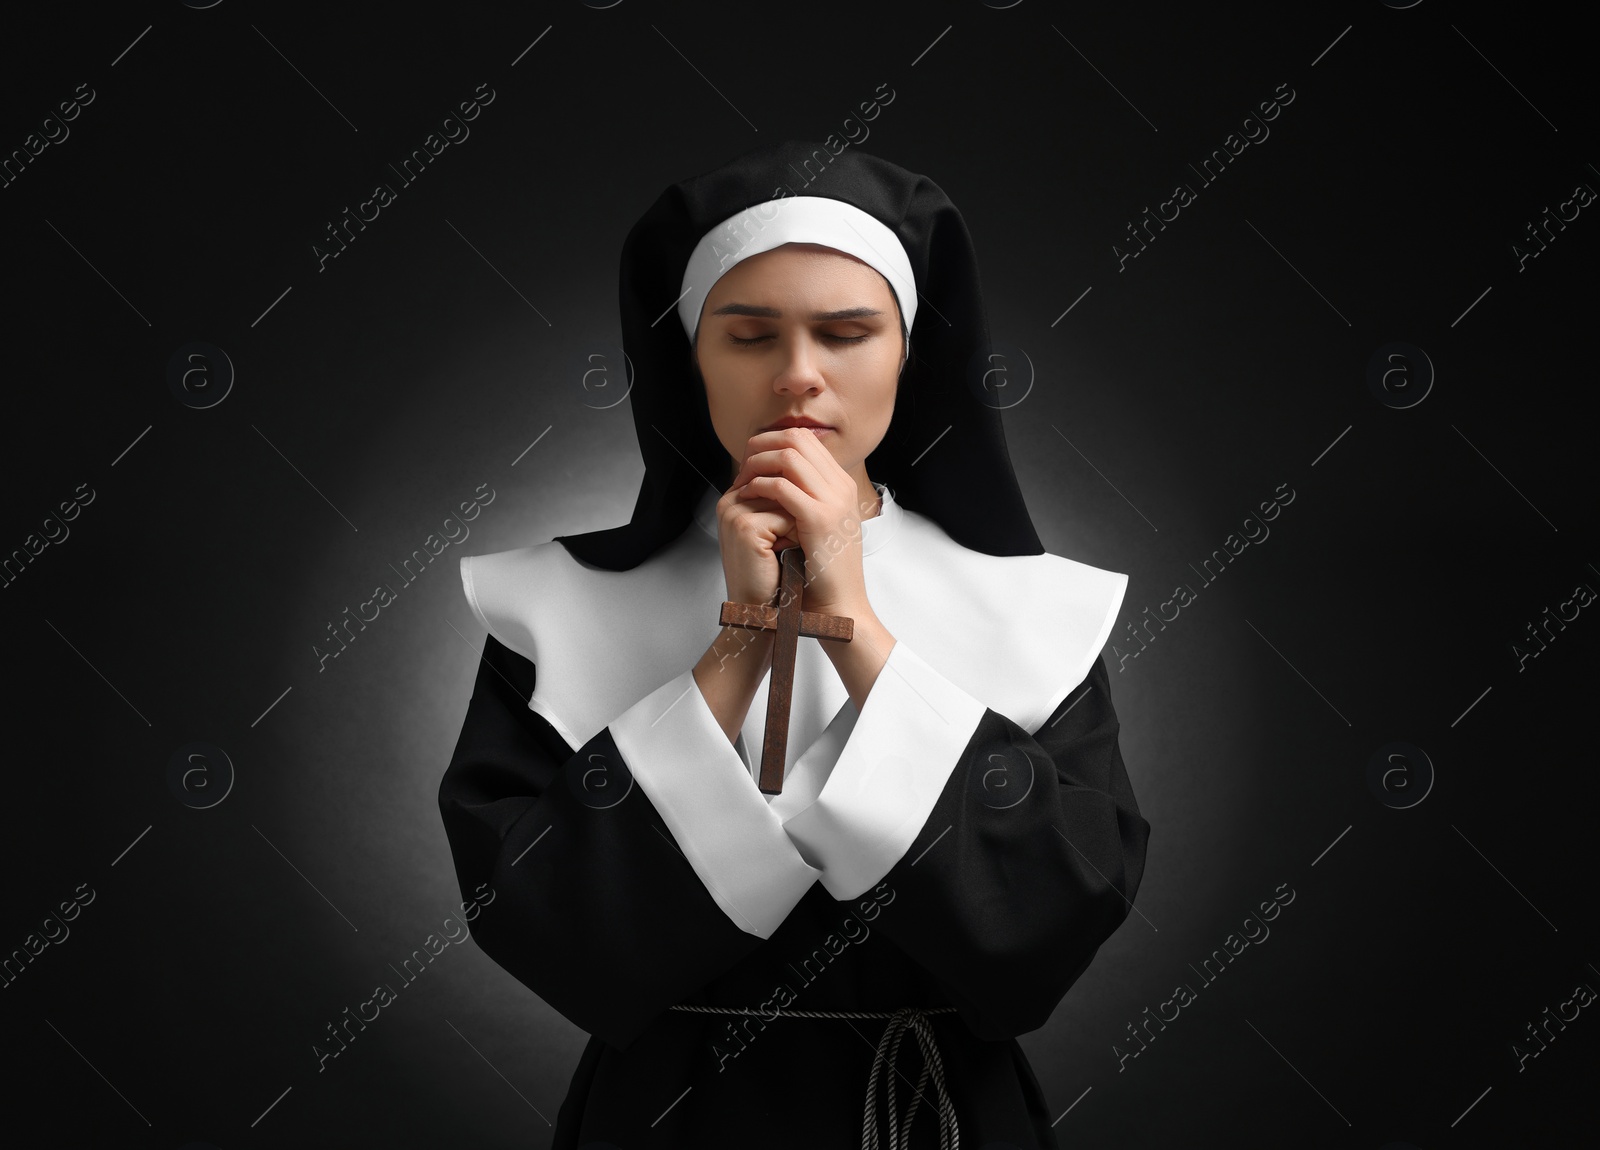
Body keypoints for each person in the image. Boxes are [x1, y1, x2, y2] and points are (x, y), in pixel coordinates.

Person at [437, 139, 1151, 1148]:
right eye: (749, 336)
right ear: (691, 357)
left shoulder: (1030, 609)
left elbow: (1044, 931)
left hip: (931, 1110)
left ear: (909, 350)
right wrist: (735, 639)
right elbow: (544, 925)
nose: (799, 377)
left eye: (847, 332)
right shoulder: (553, 605)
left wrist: (851, 618)